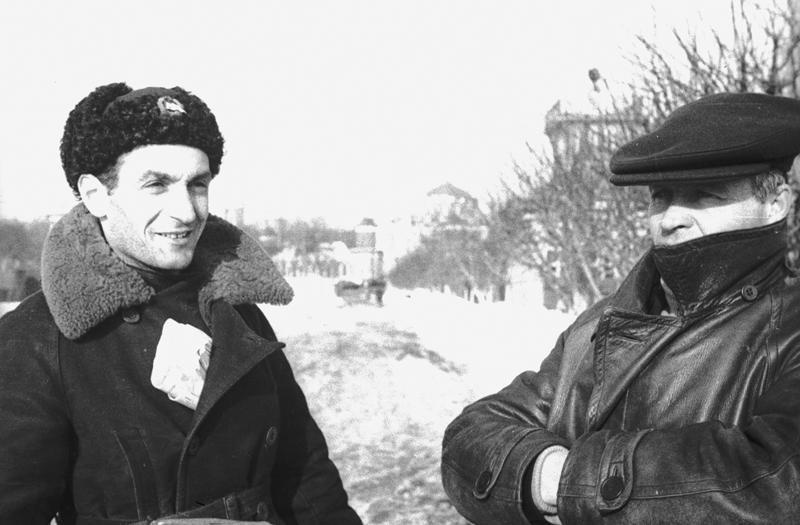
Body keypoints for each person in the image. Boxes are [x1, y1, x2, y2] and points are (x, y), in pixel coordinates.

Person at [0, 83, 363, 525]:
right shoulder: (37, 339)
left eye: (198, 184)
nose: (188, 212)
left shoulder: (239, 312)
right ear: (95, 195)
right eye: (156, 185)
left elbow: (307, 480)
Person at [441, 92, 800, 524]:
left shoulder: (789, 328)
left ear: (775, 203)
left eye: (705, 195)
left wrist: (573, 483)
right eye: (660, 197)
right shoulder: (602, 322)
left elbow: (776, 481)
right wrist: (541, 473)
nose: (670, 218)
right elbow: (476, 431)